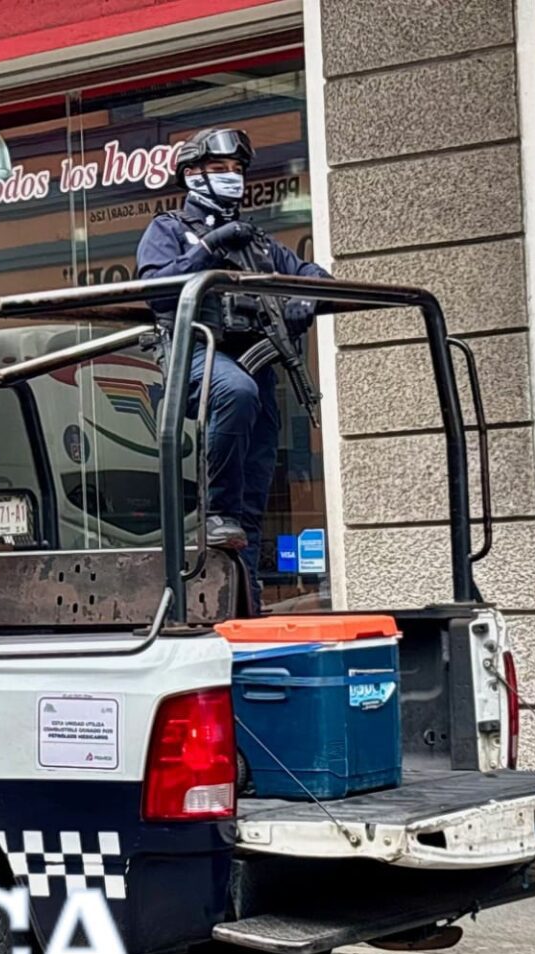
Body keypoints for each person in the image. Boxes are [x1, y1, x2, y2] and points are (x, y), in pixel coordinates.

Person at [135, 126, 330, 611]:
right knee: (236, 392)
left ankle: (246, 604)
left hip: (253, 362)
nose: (232, 177)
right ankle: (215, 511)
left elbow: (313, 274)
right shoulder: (169, 230)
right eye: (220, 169)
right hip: (195, 353)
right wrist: (207, 248)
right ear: (192, 176)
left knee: (255, 488)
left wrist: (304, 299)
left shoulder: (257, 243)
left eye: (237, 169)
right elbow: (156, 291)